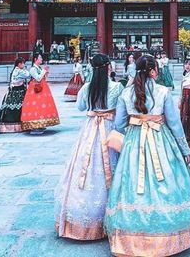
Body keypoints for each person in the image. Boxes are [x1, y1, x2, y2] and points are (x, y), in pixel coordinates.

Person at [104, 55, 190, 256]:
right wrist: (184, 149)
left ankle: (131, 236)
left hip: (134, 141)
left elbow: (119, 124)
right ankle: (167, 235)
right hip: (160, 139)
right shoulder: (163, 91)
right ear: (154, 71)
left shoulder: (126, 93)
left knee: (132, 183)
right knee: (165, 179)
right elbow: (175, 124)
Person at [55, 54, 124, 240]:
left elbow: (80, 107)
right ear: (109, 67)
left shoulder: (87, 87)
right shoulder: (117, 87)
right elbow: (121, 113)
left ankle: (83, 217)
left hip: (90, 128)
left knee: (85, 167)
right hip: (109, 128)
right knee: (110, 165)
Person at [21, 54, 60, 134]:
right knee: (35, 107)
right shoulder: (32, 69)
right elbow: (38, 78)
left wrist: (45, 73)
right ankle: (34, 125)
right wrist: (44, 71)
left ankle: (40, 124)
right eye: (40, 58)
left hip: (42, 88)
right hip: (35, 90)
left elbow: (42, 77)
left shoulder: (38, 68)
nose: (41, 59)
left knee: (42, 106)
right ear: (35, 59)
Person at [0, 57, 30, 133]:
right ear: (19, 64)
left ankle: (10, 127)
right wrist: (25, 69)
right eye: (23, 63)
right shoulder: (20, 71)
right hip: (19, 92)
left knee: (11, 109)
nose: (24, 65)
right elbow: (28, 74)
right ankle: (19, 126)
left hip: (12, 92)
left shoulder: (15, 70)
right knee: (18, 109)